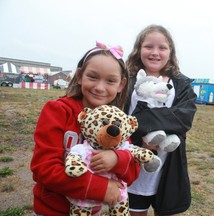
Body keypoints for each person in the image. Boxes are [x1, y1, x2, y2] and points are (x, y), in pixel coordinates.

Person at [30, 41, 140, 215]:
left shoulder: (117, 122)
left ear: (121, 85)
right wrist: (100, 188)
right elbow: (43, 168)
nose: (99, 87)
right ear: (80, 75)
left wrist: (117, 159)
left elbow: (133, 172)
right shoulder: (58, 111)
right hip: (52, 210)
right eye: (93, 77)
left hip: (93, 210)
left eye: (111, 81)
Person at [124, 24, 197, 216]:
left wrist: (138, 121)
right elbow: (118, 120)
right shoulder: (126, 81)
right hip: (134, 167)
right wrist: (142, 140)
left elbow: (182, 121)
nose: (155, 52)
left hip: (168, 169)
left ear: (170, 52)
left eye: (162, 47)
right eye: (149, 46)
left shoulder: (182, 85)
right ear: (139, 49)